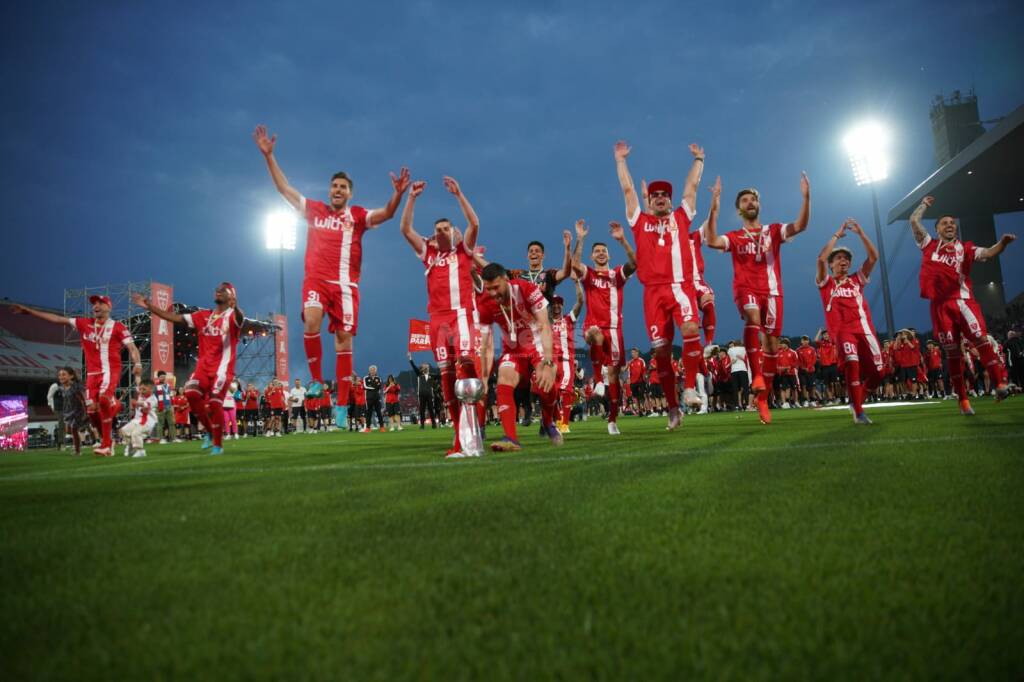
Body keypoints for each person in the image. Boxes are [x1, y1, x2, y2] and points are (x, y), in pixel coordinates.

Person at [253, 125, 409, 426]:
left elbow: (387, 214)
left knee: (343, 341)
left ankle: (340, 405)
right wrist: (269, 157)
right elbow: (285, 190)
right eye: (334, 186)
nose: (337, 190)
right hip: (316, 280)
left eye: (343, 187)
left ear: (350, 194)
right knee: (311, 318)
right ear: (330, 190)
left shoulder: (358, 217)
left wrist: (397, 195)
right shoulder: (315, 211)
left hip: (347, 286)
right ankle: (315, 380)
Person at [703, 170, 812, 424]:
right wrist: (714, 206)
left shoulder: (773, 231)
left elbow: (801, 226)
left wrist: (806, 198)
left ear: (758, 205)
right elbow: (711, 241)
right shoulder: (735, 236)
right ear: (739, 210)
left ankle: (763, 398)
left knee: (772, 346)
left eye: (753, 199)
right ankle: (757, 378)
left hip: (773, 292)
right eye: (744, 200)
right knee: (751, 316)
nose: (749, 202)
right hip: (746, 288)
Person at [613, 139, 707, 429]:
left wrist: (698, 161)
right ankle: (673, 408)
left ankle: (690, 387)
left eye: (665, 194)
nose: (661, 198)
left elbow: (691, 188)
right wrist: (621, 161)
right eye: (656, 195)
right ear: (650, 200)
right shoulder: (639, 222)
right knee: (662, 353)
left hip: (680, 286)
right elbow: (628, 190)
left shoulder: (681, 216)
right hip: (652, 293)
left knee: (691, 328)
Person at [399, 175, 482, 454]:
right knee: (446, 377)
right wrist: (410, 198)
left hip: (461, 316)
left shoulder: (464, 251)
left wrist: (459, 195)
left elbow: (475, 223)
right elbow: (405, 229)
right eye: (439, 229)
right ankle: (459, 439)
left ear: (454, 232)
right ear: (434, 236)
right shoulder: (428, 254)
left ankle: (476, 428)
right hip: (437, 320)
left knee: (467, 364)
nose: (443, 231)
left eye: (447, 227)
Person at [910, 196, 1016, 413]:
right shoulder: (928, 244)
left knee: (981, 340)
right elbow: (913, 221)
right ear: (937, 229)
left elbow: (988, 252)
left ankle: (1000, 384)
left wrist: (1003, 243)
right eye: (944, 223)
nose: (950, 225)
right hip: (940, 307)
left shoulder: (966, 249)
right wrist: (925, 204)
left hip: (964, 302)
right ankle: (963, 399)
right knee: (952, 352)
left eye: (952, 223)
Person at [10, 295, 142, 456]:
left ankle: (107, 443)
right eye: (94, 303)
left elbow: (132, 347)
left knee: (103, 399)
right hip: (92, 374)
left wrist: (138, 364)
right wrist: (30, 312)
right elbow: (57, 319)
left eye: (100, 303)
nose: (95, 306)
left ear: (109, 307)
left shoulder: (118, 327)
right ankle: (109, 433)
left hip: (110, 370)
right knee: (92, 412)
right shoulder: (83, 323)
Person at [134, 284, 244, 454]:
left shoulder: (231, 316)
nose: (218, 291)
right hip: (203, 367)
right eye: (217, 289)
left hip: (222, 369)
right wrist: (149, 305)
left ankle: (218, 444)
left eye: (224, 290)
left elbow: (240, 318)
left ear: (231, 297)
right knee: (191, 394)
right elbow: (173, 317)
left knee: (215, 404)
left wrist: (235, 307)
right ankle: (208, 431)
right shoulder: (203, 316)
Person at [476, 263, 558, 452]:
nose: (493, 293)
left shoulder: (525, 288)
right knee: (504, 379)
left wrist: (547, 360)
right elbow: (486, 344)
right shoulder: (485, 303)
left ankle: (547, 421)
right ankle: (511, 438)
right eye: (488, 289)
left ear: (506, 280)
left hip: (537, 343)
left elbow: (545, 325)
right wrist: (485, 378)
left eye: (496, 287)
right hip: (512, 349)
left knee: (546, 385)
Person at [571, 218, 637, 434]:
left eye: (603, 251)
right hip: (594, 325)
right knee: (593, 334)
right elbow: (574, 265)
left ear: (608, 255)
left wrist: (623, 240)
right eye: (597, 251)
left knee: (615, 376)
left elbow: (635, 262)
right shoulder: (589, 275)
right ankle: (598, 381)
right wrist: (580, 239)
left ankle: (612, 418)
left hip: (615, 329)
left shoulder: (616, 274)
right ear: (592, 256)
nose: (600, 253)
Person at [815, 218, 884, 424]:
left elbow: (874, 257)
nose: (843, 261)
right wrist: (836, 236)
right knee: (852, 365)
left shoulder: (857, 280)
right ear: (831, 264)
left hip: (865, 330)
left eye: (846, 259)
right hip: (842, 331)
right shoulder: (826, 282)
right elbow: (820, 260)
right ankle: (859, 413)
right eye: (838, 258)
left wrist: (861, 233)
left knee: (879, 374)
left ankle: (856, 401)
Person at [549, 279, 583, 434]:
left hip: (566, 362)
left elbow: (580, 302)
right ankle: (556, 419)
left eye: (559, 303)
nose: (556, 306)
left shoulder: (568, 320)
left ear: (562, 306)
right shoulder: (545, 323)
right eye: (553, 303)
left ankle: (565, 424)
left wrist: (577, 283)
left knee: (566, 392)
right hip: (551, 363)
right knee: (552, 393)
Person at [120, 379, 158, 458]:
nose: (141, 391)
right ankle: (130, 447)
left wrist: (136, 403)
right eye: (140, 389)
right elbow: (138, 382)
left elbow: (146, 408)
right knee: (124, 430)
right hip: (137, 420)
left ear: (151, 389)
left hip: (148, 421)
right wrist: (137, 373)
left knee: (136, 433)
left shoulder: (153, 399)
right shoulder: (141, 394)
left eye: (144, 389)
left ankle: (140, 451)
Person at [56, 366, 88, 455]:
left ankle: (77, 451)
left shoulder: (76, 387)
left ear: (71, 376)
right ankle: (81, 444)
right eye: (59, 375)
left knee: (74, 429)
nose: (61, 377)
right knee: (68, 431)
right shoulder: (61, 388)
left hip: (79, 411)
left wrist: (86, 411)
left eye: (64, 374)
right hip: (68, 412)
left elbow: (84, 399)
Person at [408, 354, 439, 429]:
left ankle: (434, 424)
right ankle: (422, 425)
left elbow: (441, 376)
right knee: (422, 410)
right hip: (421, 395)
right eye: (424, 366)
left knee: (431, 409)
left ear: (428, 368)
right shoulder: (419, 374)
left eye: (427, 366)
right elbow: (414, 367)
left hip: (429, 395)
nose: (426, 367)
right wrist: (410, 358)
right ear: (422, 368)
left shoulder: (432, 375)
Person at [152, 371, 176, 444]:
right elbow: (153, 397)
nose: (163, 378)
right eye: (161, 376)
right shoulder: (155, 386)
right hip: (160, 407)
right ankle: (160, 439)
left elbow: (170, 396)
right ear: (158, 377)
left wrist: (172, 407)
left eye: (164, 376)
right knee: (160, 424)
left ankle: (173, 438)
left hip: (168, 406)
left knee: (171, 423)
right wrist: (155, 407)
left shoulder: (168, 386)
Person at [795, 337, 819, 407]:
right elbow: (797, 360)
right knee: (804, 386)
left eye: (806, 340)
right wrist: (803, 367)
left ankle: (812, 400)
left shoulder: (812, 349)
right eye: (803, 340)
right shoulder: (798, 350)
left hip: (811, 371)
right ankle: (805, 400)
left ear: (808, 341)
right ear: (801, 341)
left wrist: (808, 367)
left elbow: (814, 359)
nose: (805, 341)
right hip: (802, 371)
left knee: (812, 386)